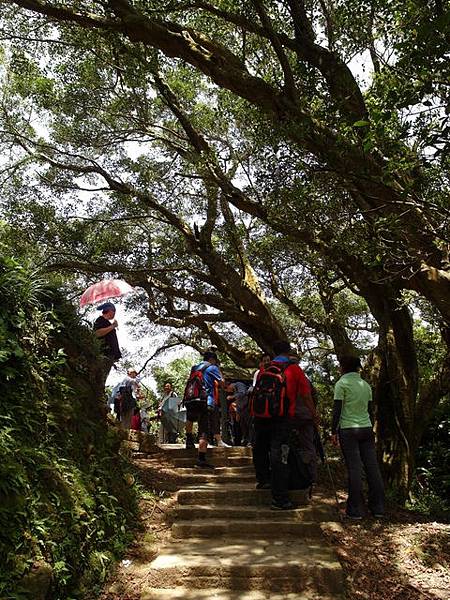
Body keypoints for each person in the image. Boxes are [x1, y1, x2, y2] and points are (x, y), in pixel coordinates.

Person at [252, 340, 314, 510]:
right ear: (289, 352)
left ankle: (263, 480)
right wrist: (314, 414)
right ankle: (280, 498)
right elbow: (306, 395)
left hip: (261, 417)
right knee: (279, 453)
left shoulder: (265, 369)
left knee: (260, 448)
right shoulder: (294, 369)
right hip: (283, 417)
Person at [331, 355, 385, 520]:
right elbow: (369, 410)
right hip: (366, 428)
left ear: (343, 367)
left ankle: (355, 510)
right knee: (372, 468)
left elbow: (337, 410)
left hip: (348, 430)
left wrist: (333, 431)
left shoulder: (342, 384)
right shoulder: (366, 385)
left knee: (354, 469)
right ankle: (378, 508)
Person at [93, 302, 122, 380]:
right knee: (100, 377)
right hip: (105, 354)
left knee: (103, 376)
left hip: (110, 356)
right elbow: (97, 333)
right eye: (114, 311)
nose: (114, 314)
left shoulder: (107, 323)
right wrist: (113, 326)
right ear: (110, 311)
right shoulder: (100, 320)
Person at [226, 380, 249, 446]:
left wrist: (232, 396)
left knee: (248, 426)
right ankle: (246, 440)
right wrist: (238, 413)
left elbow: (242, 393)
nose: (228, 391)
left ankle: (250, 441)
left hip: (246, 408)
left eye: (227, 388)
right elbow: (239, 403)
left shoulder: (239, 384)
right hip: (241, 410)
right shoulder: (235, 390)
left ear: (229, 385)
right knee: (243, 426)